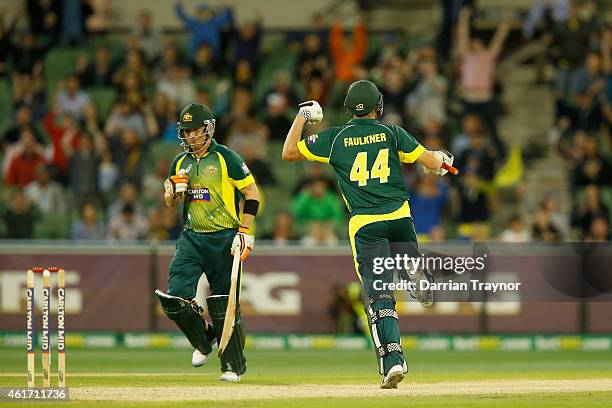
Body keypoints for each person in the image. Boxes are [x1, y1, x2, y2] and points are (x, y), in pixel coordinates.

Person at [282, 80, 454, 389]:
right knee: (404, 263)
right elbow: (430, 161)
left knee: (378, 294)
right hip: (400, 217)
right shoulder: (391, 132)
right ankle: (414, 268)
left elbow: (289, 152)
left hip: (366, 224)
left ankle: (393, 360)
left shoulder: (335, 138)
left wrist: (302, 116)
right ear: (379, 106)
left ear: (348, 108)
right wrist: (440, 161)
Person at [157, 103, 260, 382]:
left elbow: (252, 194)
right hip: (191, 236)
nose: (190, 136)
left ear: (207, 128)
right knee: (174, 298)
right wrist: (171, 193)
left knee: (224, 304)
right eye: (186, 131)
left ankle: (232, 366)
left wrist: (244, 230)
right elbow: (171, 201)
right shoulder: (180, 162)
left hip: (225, 236)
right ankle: (204, 340)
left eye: (195, 130)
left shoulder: (226, 157)